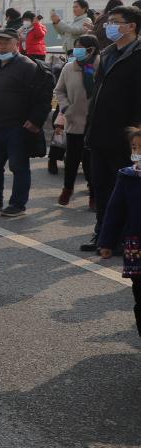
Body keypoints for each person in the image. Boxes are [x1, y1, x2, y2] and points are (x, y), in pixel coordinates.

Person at [0, 29, 54, 218]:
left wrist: (35, 120)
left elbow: (43, 96)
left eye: (6, 43)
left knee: (18, 166)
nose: (1, 46)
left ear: (16, 44)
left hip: (17, 126)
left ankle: (18, 204)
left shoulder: (27, 66)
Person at [83, 5, 141, 250]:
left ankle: (122, 239)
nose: (109, 27)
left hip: (124, 137)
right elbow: (97, 93)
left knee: (125, 191)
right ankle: (102, 235)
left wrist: (136, 134)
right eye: (108, 22)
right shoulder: (107, 53)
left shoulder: (138, 56)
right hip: (99, 134)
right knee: (101, 187)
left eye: (115, 22)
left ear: (131, 26)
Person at [95, 129, 141, 333]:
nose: (137, 153)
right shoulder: (127, 177)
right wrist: (106, 242)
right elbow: (114, 211)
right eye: (134, 148)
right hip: (136, 245)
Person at [53, 35, 98, 207]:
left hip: (94, 121)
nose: (76, 50)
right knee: (71, 159)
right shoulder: (68, 68)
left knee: (90, 161)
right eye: (76, 46)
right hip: (73, 119)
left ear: (91, 50)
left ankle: (93, 194)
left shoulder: (100, 66)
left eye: (80, 46)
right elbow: (59, 90)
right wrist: (66, 108)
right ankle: (67, 188)